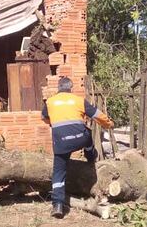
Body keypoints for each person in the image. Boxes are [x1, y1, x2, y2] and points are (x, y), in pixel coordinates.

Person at [41, 76, 114, 218]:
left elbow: (43, 118)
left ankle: (57, 205)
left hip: (61, 142)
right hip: (80, 139)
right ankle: (91, 158)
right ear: (71, 88)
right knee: (88, 137)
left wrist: (53, 122)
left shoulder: (50, 102)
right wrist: (108, 124)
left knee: (59, 172)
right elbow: (97, 115)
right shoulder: (78, 100)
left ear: (58, 88)